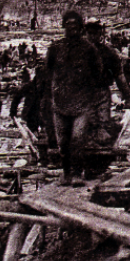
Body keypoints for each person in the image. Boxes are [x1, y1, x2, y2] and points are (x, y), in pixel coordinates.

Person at [45, 11, 104, 185]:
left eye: (76, 25)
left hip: (82, 102)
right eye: (69, 25)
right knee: (62, 142)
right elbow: (47, 72)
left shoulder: (89, 49)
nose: (72, 29)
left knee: (78, 139)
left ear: (80, 28)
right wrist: (50, 94)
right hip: (60, 102)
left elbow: (98, 72)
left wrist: (90, 92)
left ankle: (77, 173)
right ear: (64, 27)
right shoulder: (55, 48)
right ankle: (66, 173)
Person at [86, 19, 130, 151]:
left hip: (101, 92)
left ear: (100, 34)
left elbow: (119, 77)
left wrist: (128, 98)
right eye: (89, 33)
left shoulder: (108, 53)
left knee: (102, 125)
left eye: (95, 33)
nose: (91, 36)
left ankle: (99, 157)